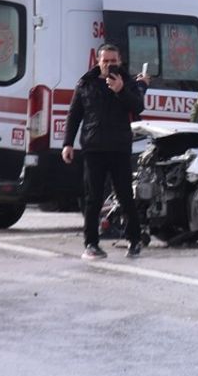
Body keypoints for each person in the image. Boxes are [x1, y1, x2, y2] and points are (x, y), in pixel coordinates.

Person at [62, 43, 147, 260]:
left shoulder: (127, 82)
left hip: (119, 147)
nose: (109, 64)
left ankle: (134, 240)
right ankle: (91, 243)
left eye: (113, 61)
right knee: (93, 198)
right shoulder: (85, 83)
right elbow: (74, 115)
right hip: (93, 148)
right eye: (105, 60)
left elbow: (137, 107)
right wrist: (67, 143)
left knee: (126, 195)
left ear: (119, 62)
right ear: (98, 61)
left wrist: (121, 91)